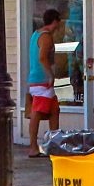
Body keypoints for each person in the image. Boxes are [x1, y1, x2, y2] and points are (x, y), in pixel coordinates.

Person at [26, 10, 64, 157]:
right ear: (55, 21)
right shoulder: (46, 36)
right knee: (37, 111)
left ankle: (53, 144)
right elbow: (42, 58)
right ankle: (33, 146)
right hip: (42, 80)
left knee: (54, 110)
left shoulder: (36, 34)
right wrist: (50, 75)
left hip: (35, 78)